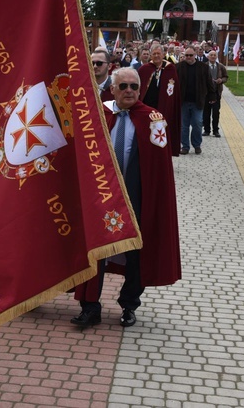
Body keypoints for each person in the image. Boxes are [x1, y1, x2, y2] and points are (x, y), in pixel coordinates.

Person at [71, 67, 181, 328]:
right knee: (95, 253)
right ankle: (90, 307)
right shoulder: (97, 115)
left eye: (134, 86)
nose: (129, 91)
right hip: (100, 200)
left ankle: (129, 304)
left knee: (136, 256)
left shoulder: (153, 119)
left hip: (136, 199)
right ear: (112, 89)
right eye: (123, 87)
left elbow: (159, 169)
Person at [138, 43, 180, 157]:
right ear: (151, 55)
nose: (156, 56)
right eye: (154, 54)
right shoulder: (144, 69)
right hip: (147, 107)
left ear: (163, 54)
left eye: (158, 53)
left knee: (162, 133)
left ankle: (163, 155)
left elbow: (175, 91)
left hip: (164, 108)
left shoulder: (170, 69)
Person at [177, 47, 216, 155]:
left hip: (197, 101)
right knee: (184, 126)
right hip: (183, 101)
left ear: (195, 55)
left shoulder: (203, 67)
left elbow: (209, 81)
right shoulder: (179, 67)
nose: (188, 57)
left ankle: (197, 144)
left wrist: (212, 96)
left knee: (197, 123)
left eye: (191, 55)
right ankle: (185, 146)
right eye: (187, 55)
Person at [203, 50, 228, 137]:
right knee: (206, 112)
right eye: (211, 55)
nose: (213, 56)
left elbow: (226, 77)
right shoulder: (204, 66)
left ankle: (215, 130)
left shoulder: (220, 66)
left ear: (216, 57)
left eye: (214, 55)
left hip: (217, 92)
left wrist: (221, 80)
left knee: (216, 112)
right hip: (206, 93)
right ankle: (206, 130)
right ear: (208, 57)